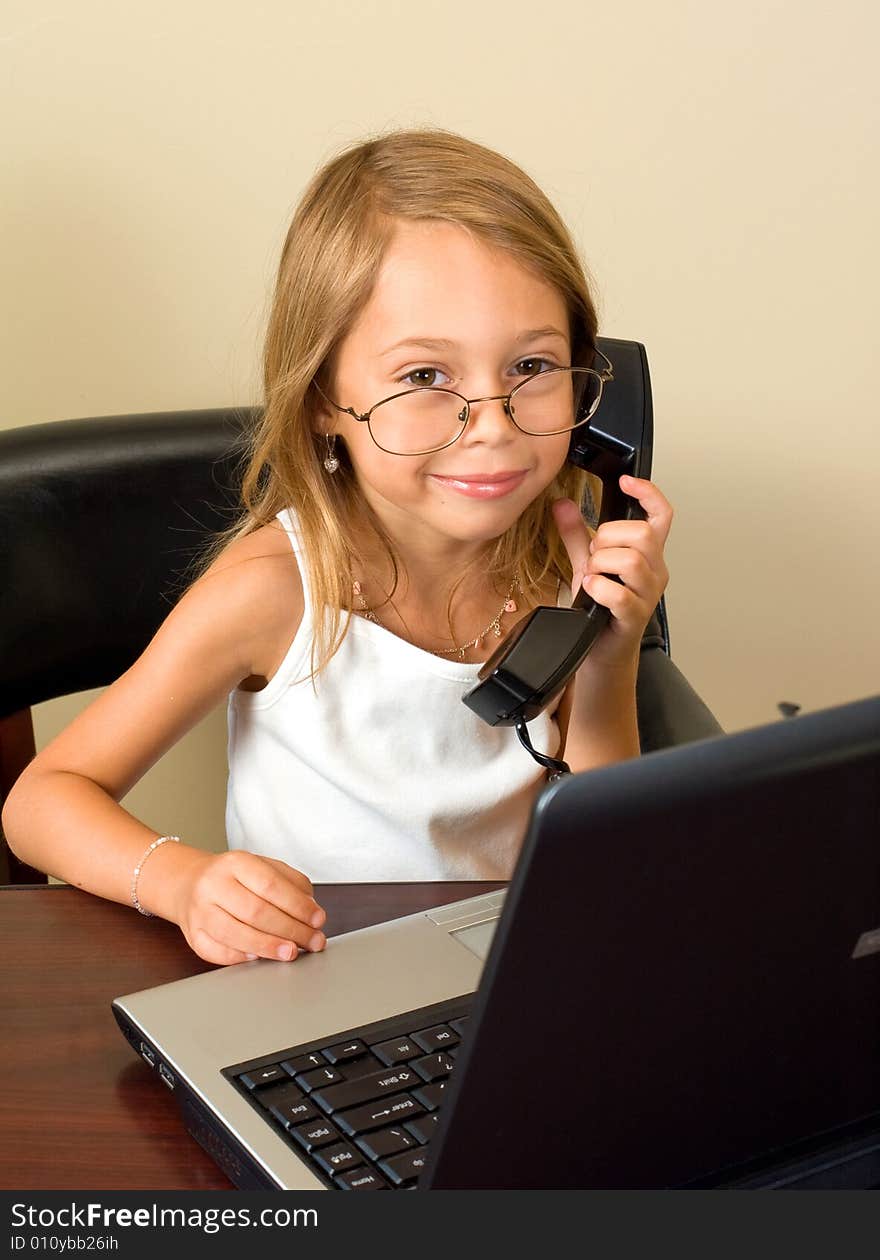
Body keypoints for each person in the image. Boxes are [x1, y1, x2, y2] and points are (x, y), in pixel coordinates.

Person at [2, 128, 672, 966]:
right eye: (427, 377)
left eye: (532, 364)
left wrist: (610, 656)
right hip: (314, 980)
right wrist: (181, 882)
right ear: (322, 397)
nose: (495, 428)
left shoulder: (554, 560)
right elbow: (41, 799)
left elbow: (606, 846)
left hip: (499, 969)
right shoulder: (274, 589)